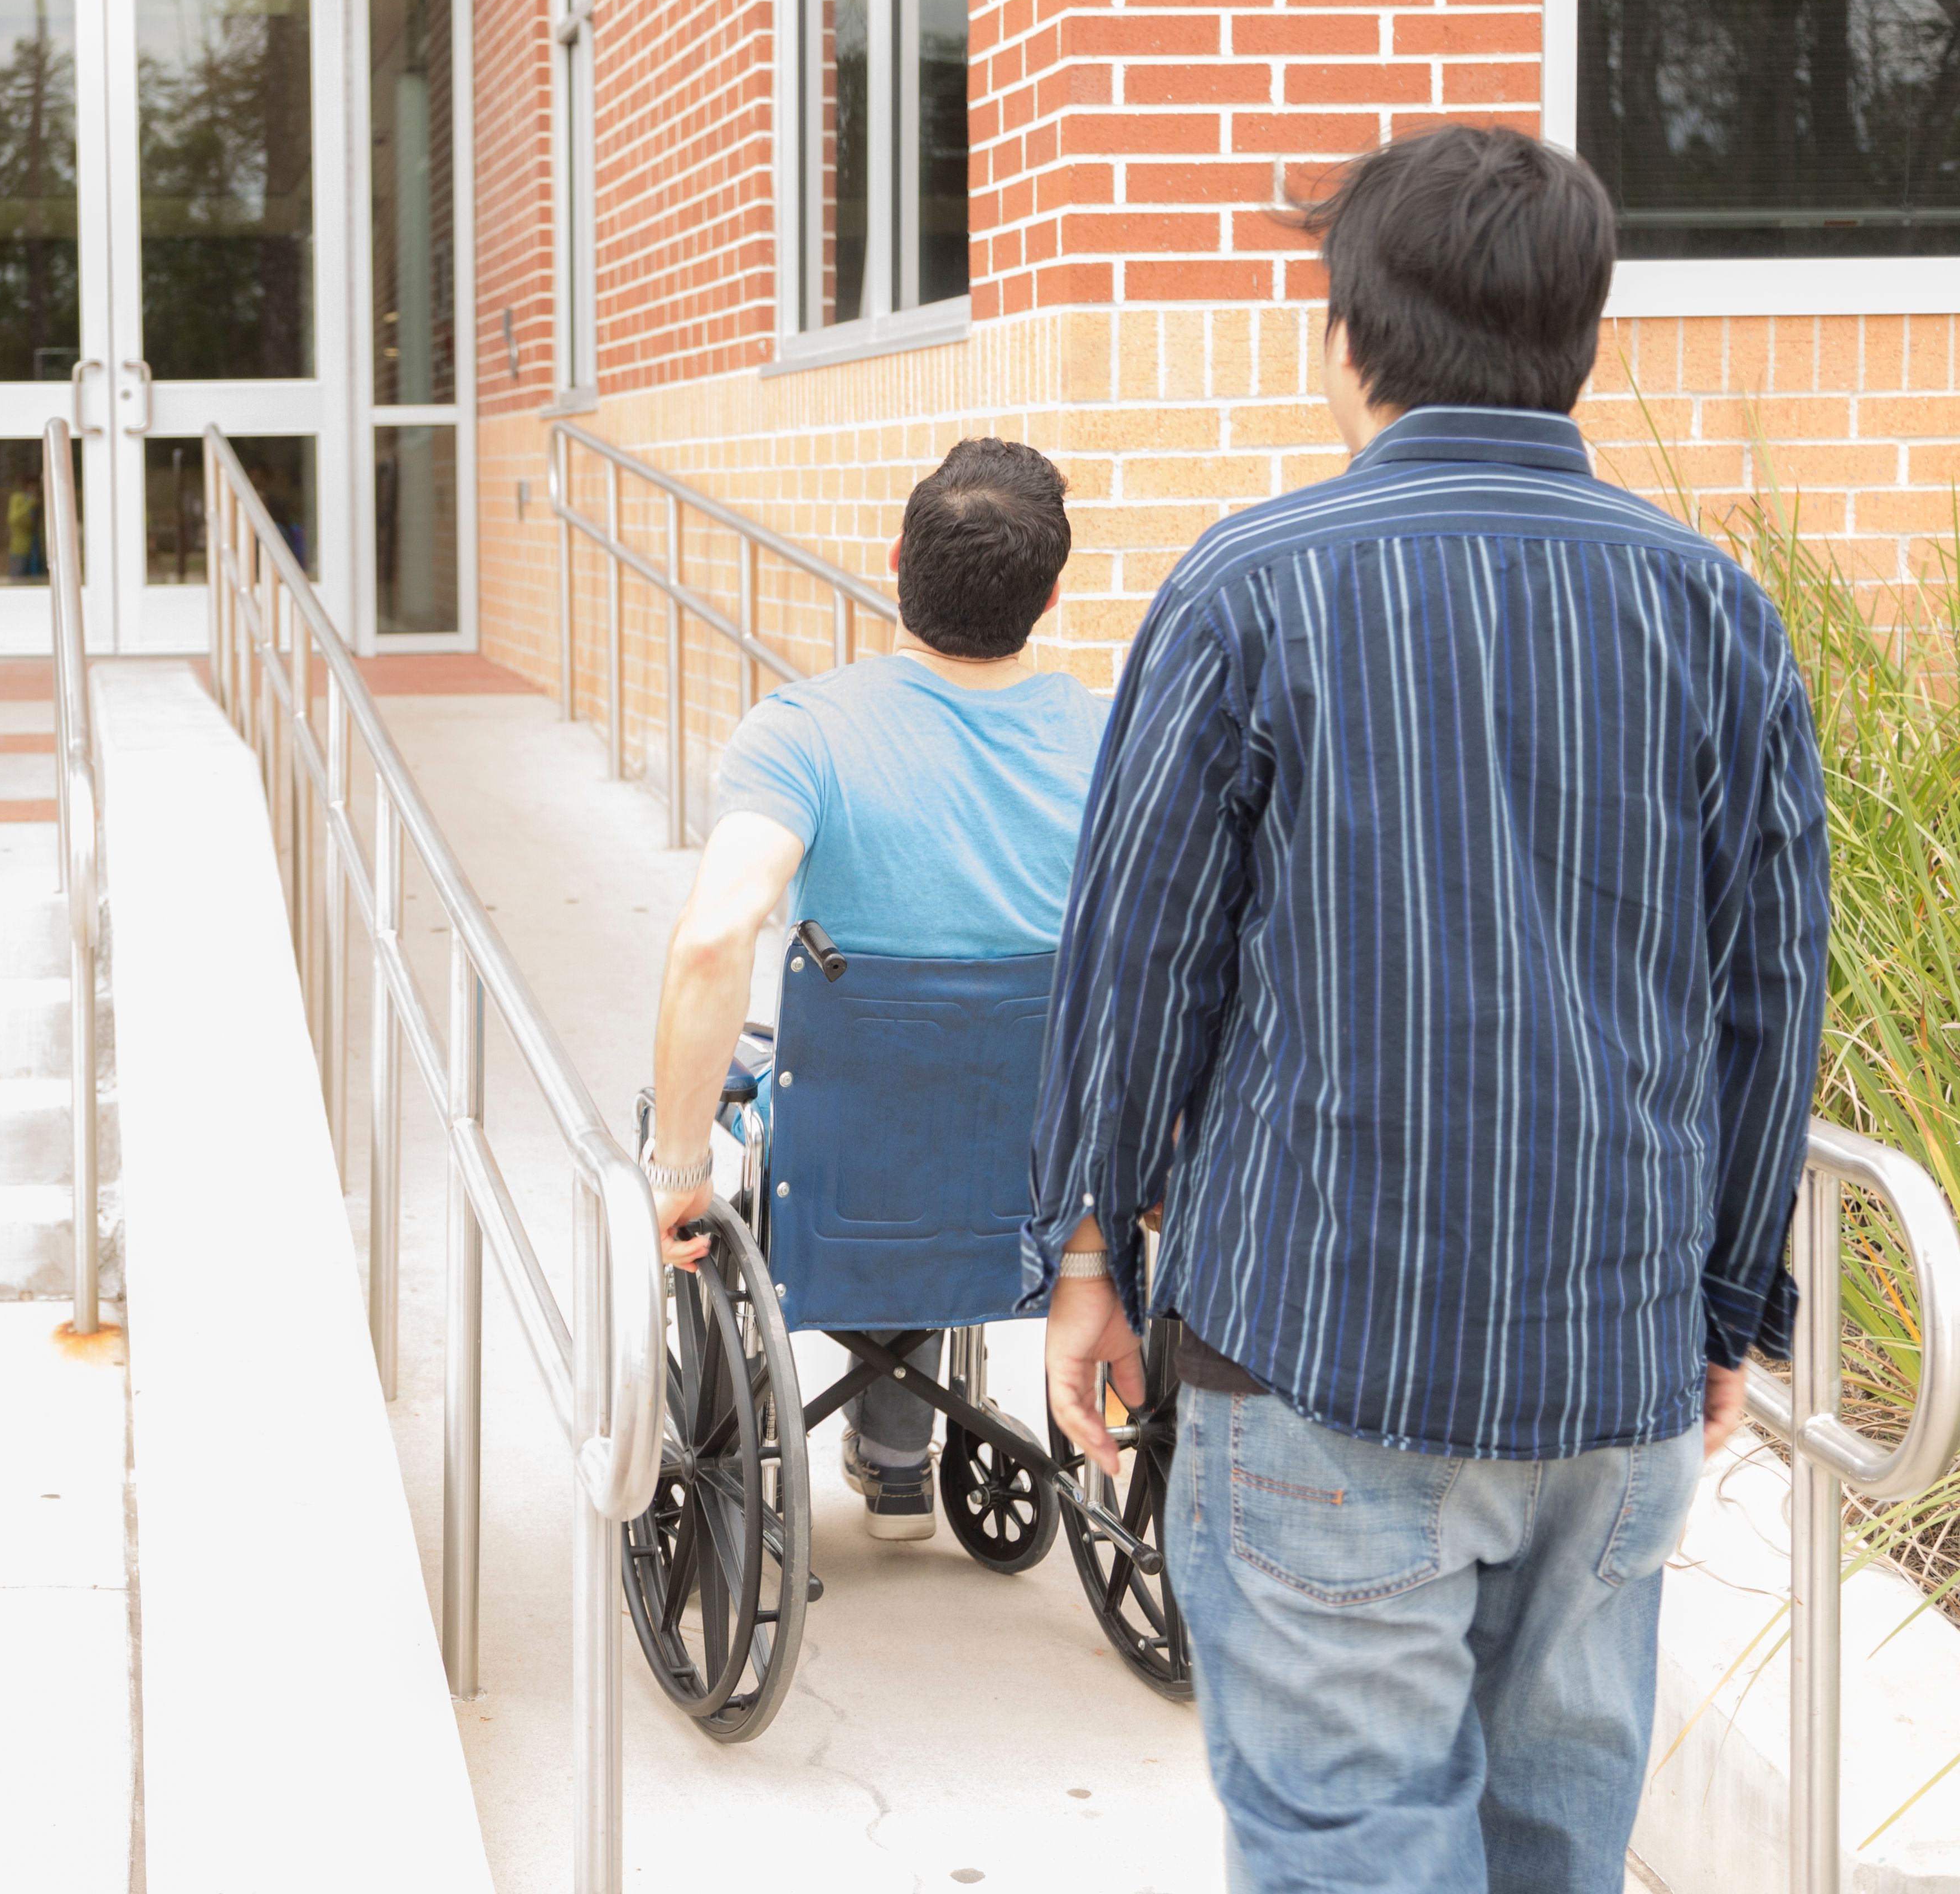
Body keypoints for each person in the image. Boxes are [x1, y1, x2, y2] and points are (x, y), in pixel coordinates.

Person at [1026, 123, 1830, 1893]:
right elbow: (1771, 984)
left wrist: (1089, 1253)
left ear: (1349, 337)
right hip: (1608, 1368)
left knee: (1354, 1857)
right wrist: (1725, 1307)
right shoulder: (1718, 613)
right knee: (1557, 1853)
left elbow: (1134, 956)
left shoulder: (1253, 589)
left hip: (1320, 1355)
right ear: (1583, 338)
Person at [643, 438, 1105, 1541]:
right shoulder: (1112, 738)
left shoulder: (804, 732)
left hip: (856, 1179)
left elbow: (713, 942)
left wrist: (678, 1163)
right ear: (1050, 592)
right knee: (964, 1099)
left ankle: (882, 1446)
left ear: (897, 557)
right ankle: (900, 1450)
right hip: (1048, 1178)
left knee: (836, 1111)